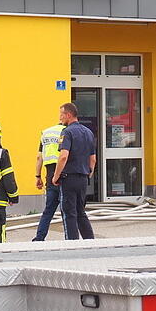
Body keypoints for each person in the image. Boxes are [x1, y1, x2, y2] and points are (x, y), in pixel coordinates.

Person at [51, 103, 96, 240]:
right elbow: (93, 159)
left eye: (61, 114)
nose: (60, 118)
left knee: (69, 213)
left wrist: (55, 176)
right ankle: (90, 241)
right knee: (81, 212)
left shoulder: (67, 132)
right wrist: (88, 173)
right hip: (83, 178)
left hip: (68, 178)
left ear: (68, 115)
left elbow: (63, 156)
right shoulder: (88, 132)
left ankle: (72, 243)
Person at [32, 121, 66, 241]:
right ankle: (70, 238)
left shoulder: (46, 133)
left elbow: (39, 157)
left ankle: (39, 237)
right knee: (67, 210)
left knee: (48, 210)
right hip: (64, 173)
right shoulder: (67, 132)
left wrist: (38, 176)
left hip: (49, 174)